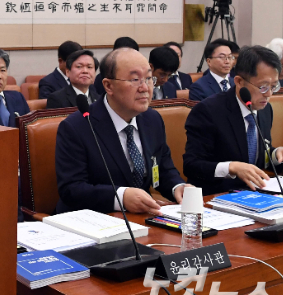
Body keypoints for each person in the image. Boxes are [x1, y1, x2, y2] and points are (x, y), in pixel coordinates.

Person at [55, 48, 190, 214]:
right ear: (108, 86)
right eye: (135, 79)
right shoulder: (77, 126)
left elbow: (162, 168)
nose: (145, 88)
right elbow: (72, 189)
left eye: (148, 78)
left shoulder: (152, 119)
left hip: (141, 219)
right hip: (95, 221)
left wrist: (178, 186)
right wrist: (120, 196)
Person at [183, 46, 283, 195]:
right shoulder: (208, 111)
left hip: (255, 195)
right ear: (239, 81)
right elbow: (191, 165)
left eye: (274, 87)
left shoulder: (265, 110)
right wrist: (231, 168)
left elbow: (255, 155)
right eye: (263, 87)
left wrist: (277, 154)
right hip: (217, 196)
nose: (269, 94)